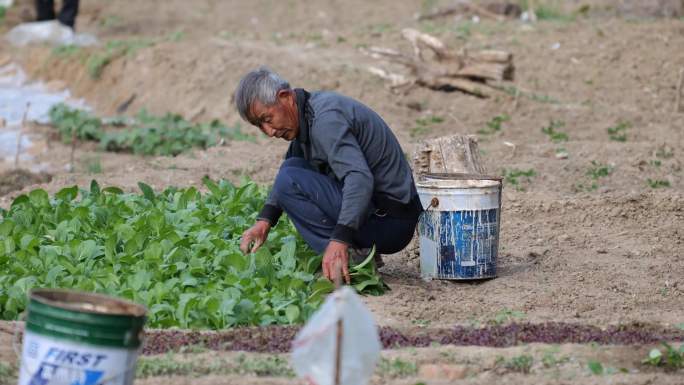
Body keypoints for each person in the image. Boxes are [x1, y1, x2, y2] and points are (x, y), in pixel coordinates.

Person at [235, 67, 423, 284]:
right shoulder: (306, 114)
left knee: (290, 179)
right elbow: (290, 168)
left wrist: (339, 240)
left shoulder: (325, 120)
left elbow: (359, 178)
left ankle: (350, 261)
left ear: (285, 97)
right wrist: (264, 221)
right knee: (291, 168)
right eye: (259, 126)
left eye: (267, 118)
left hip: (391, 222)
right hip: (379, 213)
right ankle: (356, 253)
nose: (269, 131)